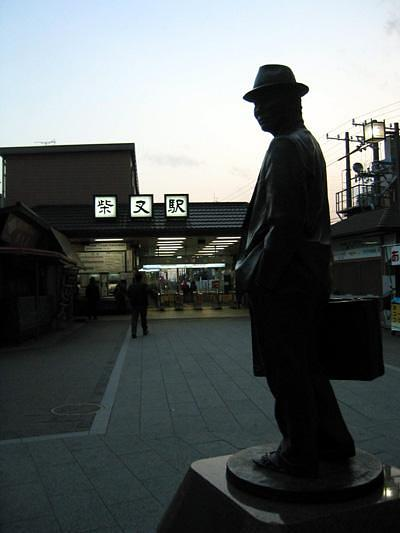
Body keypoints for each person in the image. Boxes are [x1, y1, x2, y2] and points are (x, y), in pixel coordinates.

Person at [235, 64, 355, 478]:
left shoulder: (285, 146)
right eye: (255, 105)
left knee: (287, 370)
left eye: (266, 102)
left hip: (286, 279)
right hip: (308, 274)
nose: (259, 112)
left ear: (291, 102)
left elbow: (284, 222)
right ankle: (333, 440)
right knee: (308, 365)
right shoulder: (308, 143)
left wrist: (262, 279)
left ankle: (298, 452)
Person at [127, 271, 150, 338]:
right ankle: (144, 330)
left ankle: (134, 332)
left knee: (134, 319)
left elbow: (128, 294)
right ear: (141, 278)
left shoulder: (131, 286)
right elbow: (149, 291)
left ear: (135, 278)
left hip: (134, 305)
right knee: (143, 318)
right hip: (143, 305)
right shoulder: (144, 285)